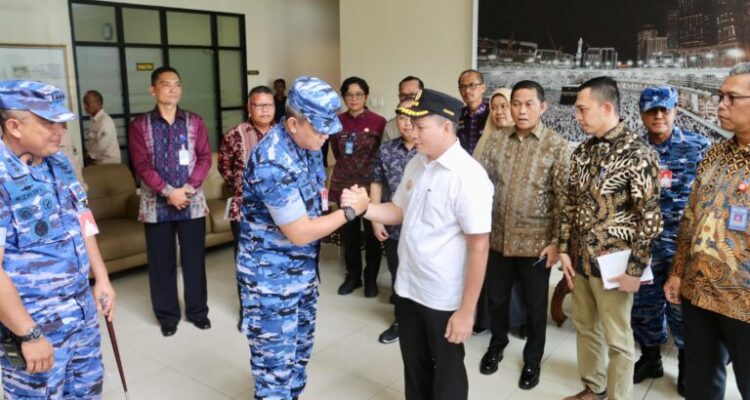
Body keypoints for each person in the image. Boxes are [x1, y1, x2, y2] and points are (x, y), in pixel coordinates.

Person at [341, 88, 494, 400]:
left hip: (442, 295)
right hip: (409, 286)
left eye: (421, 127)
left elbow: (479, 247)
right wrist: (365, 209)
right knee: (415, 364)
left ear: (446, 127)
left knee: (448, 370)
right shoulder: (417, 163)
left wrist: (466, 311)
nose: (411, 132)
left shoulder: (469, 177)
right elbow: (399, 210)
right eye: (410, 125)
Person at [237, 76, 368, 400]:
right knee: (274, 374)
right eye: (320, 129)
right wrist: (351, 212)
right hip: (271, 282)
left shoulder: (308, 146)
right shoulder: (272, 159)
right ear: (293, 123)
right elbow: (299, 232)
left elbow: (313, 203)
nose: (326, 136)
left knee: (297, 360)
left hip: (302, 273)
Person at [0, 80, 116, 398]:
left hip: (81, 313)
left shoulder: (60, 163)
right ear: (14, 126)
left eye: (61, 122)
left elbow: (83, 221)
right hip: (34, 324)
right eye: (49, 122)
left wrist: (102, 278)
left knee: (87, 391)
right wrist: (29, 334)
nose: (59, 131)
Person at [559, 76, 662, 400]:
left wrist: (634, 270)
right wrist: (563, 250)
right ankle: (594, 387)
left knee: (618, 339)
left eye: (582, 109)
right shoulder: (583, 152)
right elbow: (569, 203)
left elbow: (650, 217)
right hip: (581, 260)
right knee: (586, 327)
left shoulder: (637, 153)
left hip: (615, 264)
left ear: (606, 108)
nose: (578, 116)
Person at [474, 80, 569, 390]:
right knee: (497, 299)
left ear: (543, 107)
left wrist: (557, 243)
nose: (521, 110)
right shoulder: (495, 141)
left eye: (529, 104)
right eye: (516, 103)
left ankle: (532, 360)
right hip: (497, 240)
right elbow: (478, 187)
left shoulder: (556, 145)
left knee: (534, 306)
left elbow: (564, 199)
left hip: (536, 245)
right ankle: (497, 344)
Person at [665, 62, 750, 400]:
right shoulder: (714, 154)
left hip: (744, 304)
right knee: (701, 386)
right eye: (720, 96)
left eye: (732, 97)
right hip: (699, 294)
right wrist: (677, 272)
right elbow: (691, 217)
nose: (721, 105)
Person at [631, 85, 709, 395]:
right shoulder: (632, 149)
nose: (659, 115)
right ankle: (650, 359)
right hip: (644, 251)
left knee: (681, 312)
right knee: (644, 309)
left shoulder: (698, 146)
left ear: (675, 110)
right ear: (642, 114)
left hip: (682, 252)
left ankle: (687, 365)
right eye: (652, 110)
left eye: (664, 109)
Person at [128, 66, 212, 337]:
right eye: (166, 84)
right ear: (153, 89)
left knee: (194, 260)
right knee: (161, 262)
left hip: (191, 202)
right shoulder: (139, 125)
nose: (173, 89)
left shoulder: (195, 121)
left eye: (177, 84)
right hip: (156, 205)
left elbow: (204, 157)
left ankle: (198, 311)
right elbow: (141, 164)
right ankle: (167, 315)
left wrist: (187, 189)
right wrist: (168, 191)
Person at [472, 87, 528, 338]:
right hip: (488, 217)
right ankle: (487, 318)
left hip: (520, 219)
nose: (498, 112)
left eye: (504, 106)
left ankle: (519, 319)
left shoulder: (527, 141)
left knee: (519, 274)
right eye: (494, 107)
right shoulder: (487, 140)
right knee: (490, 270)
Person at [218, 85, 276, 330]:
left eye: (269, 105)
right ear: (249, 107)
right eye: (259, 105)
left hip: (278, 211)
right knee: (246, 263)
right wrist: (244, 188)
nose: (264, 110)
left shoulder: (284, 133)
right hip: (244, 210)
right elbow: (224, 166)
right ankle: (248, 312)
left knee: (274, 261)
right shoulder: (235, 134)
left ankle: (272, 310)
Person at [329, 76, 386, 297]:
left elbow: (381, 154)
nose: (354, 98)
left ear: (366, 96)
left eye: (358, 94)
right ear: (343, 97)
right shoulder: (336, 122)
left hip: (370, 186)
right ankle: (353, 276)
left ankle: (370, 278)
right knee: (350, 234)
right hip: (344, 184)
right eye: (349, 94)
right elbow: (335, 150)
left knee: (372, 235)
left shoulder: (378, 122)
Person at [371, 98, 418, 344]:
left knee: (423, 277)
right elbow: (377, 184)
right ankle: (401, 322)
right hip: (394, 227)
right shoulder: (386, 150)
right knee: (398, 276)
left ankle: (424, 324)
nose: (407, 124)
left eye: (412, 118)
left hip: (424, 230)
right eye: (402, 118)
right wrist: (376, 220)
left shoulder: (429, 150)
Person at [82, 90, 121, 165]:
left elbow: (102, 145)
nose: (85, 107)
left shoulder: (105, 121)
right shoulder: (94, 120)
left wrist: (89, 156)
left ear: (98, 103)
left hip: (108, 164)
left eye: (87, 103)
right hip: (98, 163)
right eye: (84, 104)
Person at [382, 76, 424, 143]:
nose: (407, 98)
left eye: (412, 95)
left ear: (422, 95)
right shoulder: (390, 127)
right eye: (403, 95)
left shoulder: (435, 122)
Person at [456, 69, 489, 154]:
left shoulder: (492, 114)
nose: (467, 90)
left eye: (472, 85)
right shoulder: (457, 115)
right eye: (463, 87)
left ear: (483, 88)